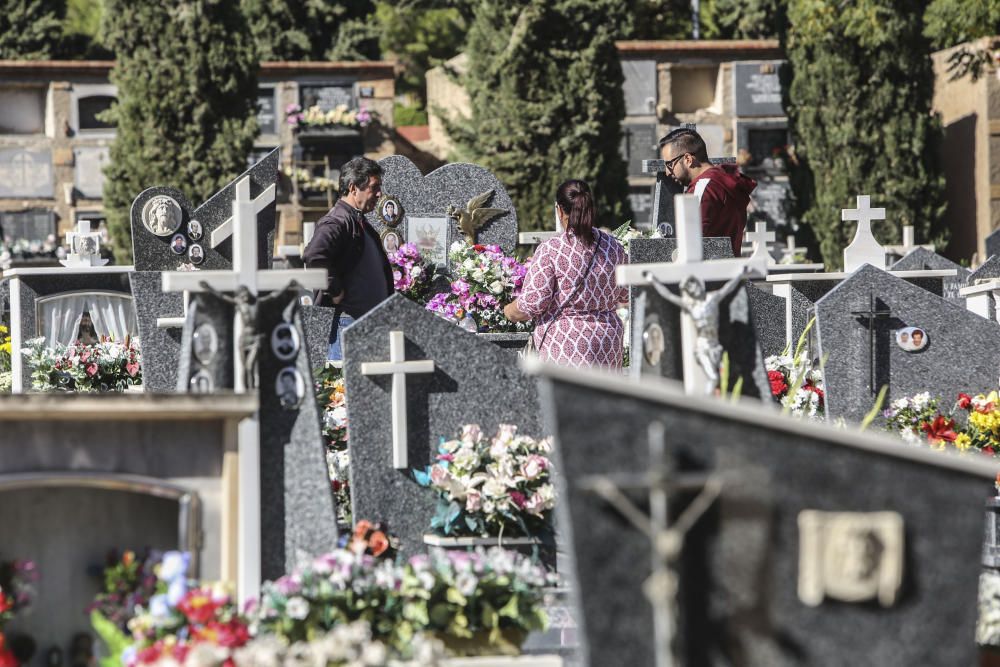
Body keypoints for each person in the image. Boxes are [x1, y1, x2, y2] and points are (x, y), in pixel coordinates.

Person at [503, 179, 628, 369]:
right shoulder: (614, 246)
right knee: (604, 398)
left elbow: (533, 302)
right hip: (607, 342)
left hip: (567, 344)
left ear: (560, 210)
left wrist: (508, 311)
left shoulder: (552, 250)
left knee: (568, 399)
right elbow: (626, 292)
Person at [303, 157, 394, 360]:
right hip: (348, 324)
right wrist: (335, 290)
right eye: (374, 187)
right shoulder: (336, 221)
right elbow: (314, 256)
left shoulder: (356, 220)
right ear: (353, 188)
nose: (379, 194)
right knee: (346, 390)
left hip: (365, 324)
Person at [658, 128, 757, 255]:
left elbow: (692, 242)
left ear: (688, 159)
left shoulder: (704, 187)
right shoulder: (723, 181)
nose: (667, 172)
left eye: (669, 164)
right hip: (730, 269)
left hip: (706, 272)